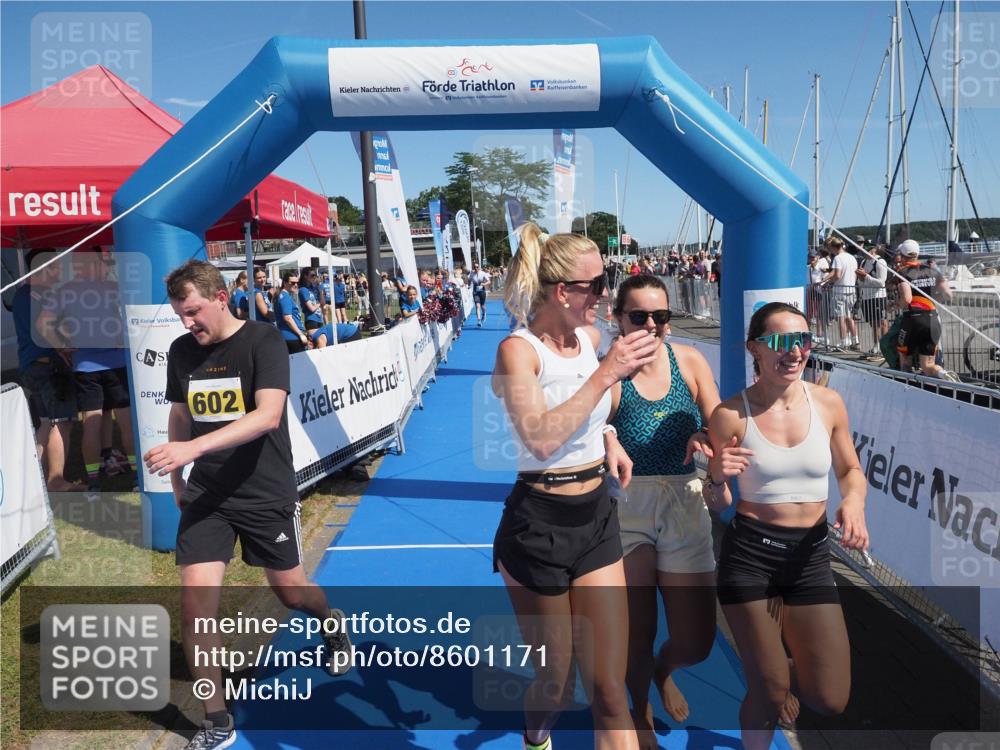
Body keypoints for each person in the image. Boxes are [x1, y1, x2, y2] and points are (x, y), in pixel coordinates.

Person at [144, 260, 352, 750]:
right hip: (208, 498)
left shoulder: (262, 340)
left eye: (193, 312)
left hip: (265, 494)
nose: (187, 324)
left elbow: (267, 415)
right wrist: (178, 476)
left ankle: (331, 623)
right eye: (179, 315)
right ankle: (217, 720)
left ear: (220, 298)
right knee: (196, 611)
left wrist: (192, 450)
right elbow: (180, 414)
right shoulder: (181, 351)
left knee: (293, 594)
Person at [492, 224, 660, 750]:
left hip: (596, 521)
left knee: (610, 691)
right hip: (538, 527)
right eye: (596, 283)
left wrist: (609, 436)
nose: (606, 294)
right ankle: (535, 737)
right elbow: (540, 440)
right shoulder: (519, 352)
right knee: (557, 684)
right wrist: (605, 376)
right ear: (562, 291)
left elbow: (591, 414)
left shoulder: (589, 341)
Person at [704, 301, 869, 750]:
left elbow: (852, 472)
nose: (794, 351)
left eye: (803, 340)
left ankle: (774, 662)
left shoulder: (828, 403)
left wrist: (853, 504)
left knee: (830, 699)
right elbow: (716, 501)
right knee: (771, 691)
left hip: (810, 559)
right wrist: (717, 475)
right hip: (750, 559)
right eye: (780, 341)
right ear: (754, 348)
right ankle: (769, 678)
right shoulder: (730, 415)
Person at [602, 275, 721, 738]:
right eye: (639, 316)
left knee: (697, 641)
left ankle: (663, 670)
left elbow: (719, 421)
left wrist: (705, 436)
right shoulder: (609, 369)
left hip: (684, 499)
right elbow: (587, 428)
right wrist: (608, 436)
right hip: (628, 503)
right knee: (638, 630)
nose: (651, 324)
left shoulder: (688, 360)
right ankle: (639, 712)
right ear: (618, 319)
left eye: (661, 316)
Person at [12, 248, 83, 492]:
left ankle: (35, 480)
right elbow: (45, 327)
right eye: (54, 266)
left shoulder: (23, 294)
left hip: (31, 366)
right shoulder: (39, 295)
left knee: (45, 423)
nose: (59, 271)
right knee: (61, 422)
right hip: (47, 367)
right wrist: (63, 348)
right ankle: (56, 480)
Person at [893, 240, 958, 381]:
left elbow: (907, 299)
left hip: (913, 320)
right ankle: (943, 374)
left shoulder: (902, 273)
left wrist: (896, 305)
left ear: (902, 255)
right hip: (932, 318)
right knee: (928, 365)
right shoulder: (933, 271)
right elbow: (948, 294)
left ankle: (907, 388)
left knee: (905, 361)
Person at [821, 237, 859, 350]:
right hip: (851, 289)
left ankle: (843, 341)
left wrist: (827, 282)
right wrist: (825, 280)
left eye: (829, 248)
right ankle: (855, 339)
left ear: (833, 247)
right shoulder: (852, 257)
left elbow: (837, 275)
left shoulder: (838, 258)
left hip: (840, 291)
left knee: (841, 317)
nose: (830, 251)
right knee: (849, 316)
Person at [855, 243, 889, 358]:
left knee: (881, 323)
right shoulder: (863, 262)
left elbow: (881, 282)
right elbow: (860, 282)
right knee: (873, 324)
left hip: (878, 296)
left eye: (866, 251)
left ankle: (885, 346)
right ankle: (877, 345)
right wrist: (861, 279)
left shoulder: (880, 262)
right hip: (866, 297)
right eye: (862, 251)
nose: (863, 253)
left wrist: (866, 277)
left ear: (873, 250)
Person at [275, 271, 310, 354]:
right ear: (285, 283)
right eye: (293, 283)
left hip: (290, 336)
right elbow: (287, 318)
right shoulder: (285, 297)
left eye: (297, 283)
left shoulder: (283, 295)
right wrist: (300, 334)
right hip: (292, 337)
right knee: (299, 365)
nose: (296, 285)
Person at [470, 262, 491, 327]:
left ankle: (484, 313)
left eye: (477, 267)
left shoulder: (483, 273)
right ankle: (479, 321)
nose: (476, 268)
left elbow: (489, 281)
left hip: (482, 291)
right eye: (474, 267)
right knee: (477, 306)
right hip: (475, 291)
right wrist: (467, 285)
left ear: (479, 267)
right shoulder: (472, 274)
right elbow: (469, 280)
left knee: (482, 306)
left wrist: (484, 284)